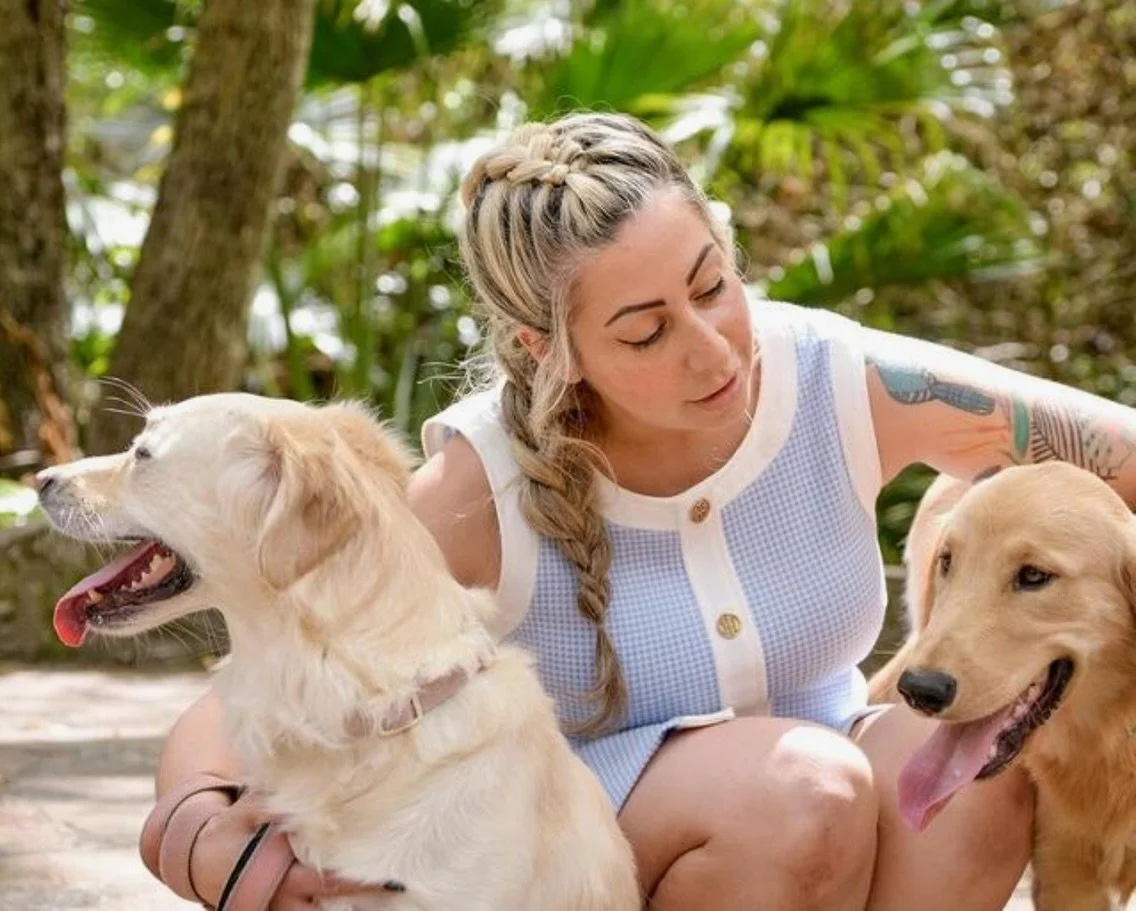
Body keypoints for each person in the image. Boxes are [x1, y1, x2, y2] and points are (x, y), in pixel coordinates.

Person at [144, 110, 1136, 910]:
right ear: (544, 348)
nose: (708, 348)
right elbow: (269, 671)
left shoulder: (838, 375)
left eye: (712, 285)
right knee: (797, 794)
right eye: (643, 331)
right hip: (594, 848)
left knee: (973, 757)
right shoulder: (476, 485)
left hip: (827, 788)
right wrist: (194, 808)